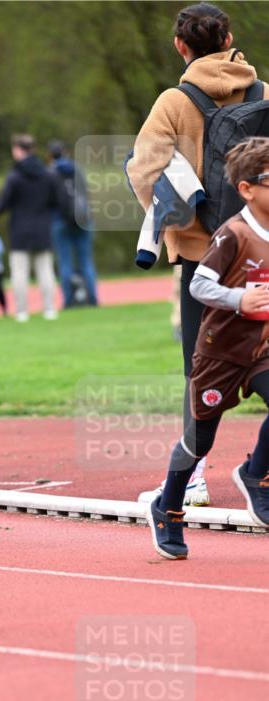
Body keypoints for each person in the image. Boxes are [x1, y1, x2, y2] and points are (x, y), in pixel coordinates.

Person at [126, 2, 269, 506]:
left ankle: (194, 480)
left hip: (201, 256)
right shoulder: (265, 93)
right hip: (261, 248)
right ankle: (259, 468)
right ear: (230, 37)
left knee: (200, 368)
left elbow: (145, 172)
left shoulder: (173, 100)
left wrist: (183, 225)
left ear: (180, 46)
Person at [148, 138, 269, 560]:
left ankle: (256, 476)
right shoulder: (233, 233)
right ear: (247, 190)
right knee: (200, 440)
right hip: (221, 352)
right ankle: (168, 507)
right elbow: (199, 284)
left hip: (262, 349)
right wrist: (239, 299)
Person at [0, 134, 63, 323]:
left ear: (18, 150)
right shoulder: (48, 174)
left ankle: (22, 312)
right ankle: (49, 309)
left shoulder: (15, 177)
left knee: (20, 273)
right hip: (43, 227)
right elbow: (58, 201)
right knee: (45, 270)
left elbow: (3, 204)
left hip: (20, 229)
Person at [48, 140, 98, 308]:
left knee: (65, 262)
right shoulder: (77, 169)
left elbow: (49, 200)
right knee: (86, 261)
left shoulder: (50, 173)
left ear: (50, 156)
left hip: (60, 222)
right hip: (83, 220)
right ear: (66, 152)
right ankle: (93, 299)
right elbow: (86, 193)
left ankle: (68, 301)